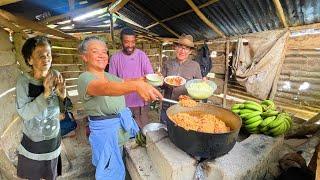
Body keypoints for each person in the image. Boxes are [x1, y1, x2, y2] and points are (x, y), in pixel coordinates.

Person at [77, 36, 162, 180]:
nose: (102, 55)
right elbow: (106, 88)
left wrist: (147, 79)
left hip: (121, 131)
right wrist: (137, 86)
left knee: (124, 165)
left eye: (104, 52)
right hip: (106, 137)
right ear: (85, 57)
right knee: (109, 172)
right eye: (95, 51)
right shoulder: (85, 78)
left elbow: (125, 82)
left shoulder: (109, 76)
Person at [16, 36, 66, 180]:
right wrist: (45, 94)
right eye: (40, 56)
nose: (46, 59)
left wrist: (63, 97)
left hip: (53, 142)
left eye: (48, 54)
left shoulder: (55, 75)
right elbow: (24, 113)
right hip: (33, 145)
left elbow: (62, 109)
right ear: (29, 60)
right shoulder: (24, 82)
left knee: (51, 176)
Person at [109, 27, 154, 128]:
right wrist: (136, 81)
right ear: (121, 41)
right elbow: (112, 83)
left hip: (141, 102)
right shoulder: (115, 59)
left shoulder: (142, 56)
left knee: (142, 130)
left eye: (133, 42)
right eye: (126, 42)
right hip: (123, 104)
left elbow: (150, 76)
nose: (130, 45)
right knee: (126, 131)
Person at [160, 34, 202, 125]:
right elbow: (162, 85)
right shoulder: (167, 63)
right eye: (180, 47)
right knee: (163, 130)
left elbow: (198, 87)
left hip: (184, 108)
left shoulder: (195, 66)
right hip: (167, 104)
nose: (182, 51)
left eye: (186, 48)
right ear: (175, 47)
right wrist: (159, 80)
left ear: (190, 51)